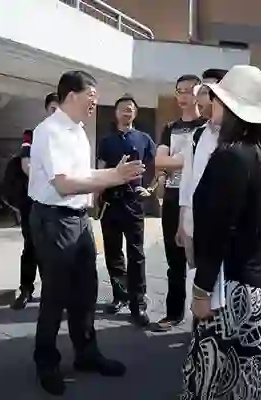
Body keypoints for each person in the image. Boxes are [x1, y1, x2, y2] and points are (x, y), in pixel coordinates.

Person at [28, 70, 145, 396]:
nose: (96, 102)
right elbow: (64, 184)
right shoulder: (50, 131)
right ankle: (46, 362)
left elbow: (85, 174)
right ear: (70, 95)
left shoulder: (78, 130)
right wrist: (114, 178)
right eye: (91, 96)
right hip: (54, 219)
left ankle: (87, 353)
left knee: (86, 290)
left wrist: (114, 174)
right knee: (56, 294)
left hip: (79, 219)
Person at [180, 65, 261, 400]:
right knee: (252, 386)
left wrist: (200, 291)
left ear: (229, 106)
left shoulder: (230, 157)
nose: (211, 104)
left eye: (216, 99)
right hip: (257, 291)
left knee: (214, 383)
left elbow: (218, 232)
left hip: (228, 292)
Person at [154, 74, 207, 332]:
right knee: (174, 261)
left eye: (189, 90)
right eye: (179, 91)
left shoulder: (207, 127)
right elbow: (159, 161)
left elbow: (205, 161)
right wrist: (189, 160)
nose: (184, 95)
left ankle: (204, 316)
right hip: (174, 197)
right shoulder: (170, 127)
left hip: (201, 197)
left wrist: (175, 161)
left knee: (203, 258)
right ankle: (173, 313)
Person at [97, 94, 156, 327]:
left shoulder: (144, 139)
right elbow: (100, 169)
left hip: (133, 203)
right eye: (122, 108)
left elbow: (154, 166)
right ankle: (120, 295)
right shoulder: (107, 141)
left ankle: (138, 303)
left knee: (136, 254)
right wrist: (96, 196)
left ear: (135, 113)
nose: (126, 112)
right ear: (116, 113)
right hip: (111, 202)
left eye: (130, 108)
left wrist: (149, 189)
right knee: (113, 253)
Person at [11, 92, 59, 310]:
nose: (57, 113)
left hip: (58, 202)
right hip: (33, 201)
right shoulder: (32, 135)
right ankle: (26, 289)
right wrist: (54, 182)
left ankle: (53, 290)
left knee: (56, 249)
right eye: (53, 109)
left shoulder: (68, 138)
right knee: (30, 245)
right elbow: (26, 166)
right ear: (47, 110)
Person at [178, 68, 228, 271]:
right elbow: (187, 181)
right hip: (196, 226)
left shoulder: (239, 137)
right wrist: (183, 224)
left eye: (206, 92)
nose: (199, 98)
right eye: (199, 92)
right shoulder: (197, 135)